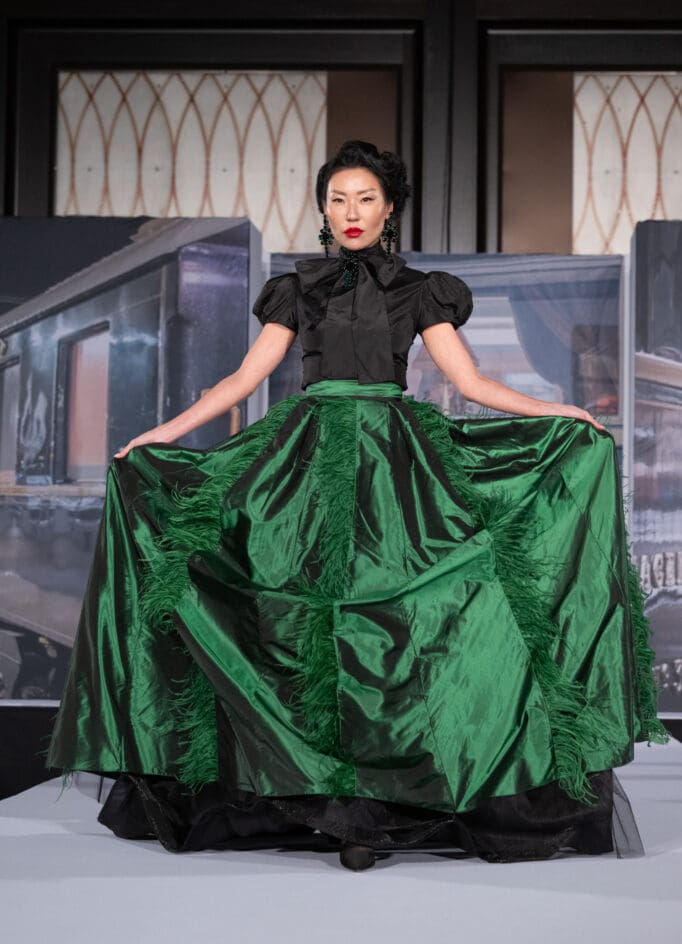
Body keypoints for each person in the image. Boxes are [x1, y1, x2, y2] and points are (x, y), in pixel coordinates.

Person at [46, 139, 667, 871]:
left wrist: (557, 410)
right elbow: (243, 381)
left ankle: (383, 806)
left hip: (397, 463)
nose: (351, 211)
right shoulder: (295, 289)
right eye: (338, 198)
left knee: (396, 626)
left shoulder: (421, 290)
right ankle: (329, 805)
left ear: (389, 208)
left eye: (365, 198)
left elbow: (470, 383)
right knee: (295, 619)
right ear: (322, 208)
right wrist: (160, 435)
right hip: (301, 462)